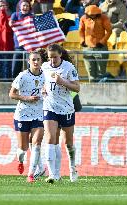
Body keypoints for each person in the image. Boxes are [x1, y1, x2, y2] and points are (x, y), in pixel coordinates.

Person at [41, 44, 80, 183]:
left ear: (60, 55)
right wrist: (43, 88)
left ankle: (72, 167)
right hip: (50, 106)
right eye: (50, 57)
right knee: (51, 139)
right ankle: (53, 174)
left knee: (68, 143)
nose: (52, 61)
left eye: (55, 57)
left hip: (66, 108)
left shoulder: (68, 67)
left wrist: (63, 81)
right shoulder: (44, 67)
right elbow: (43, 82)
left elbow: (77, 87)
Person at [9, 51, 45, 183]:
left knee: (36, 144)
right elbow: (12, 94)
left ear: (41, 61)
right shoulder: (23, 76)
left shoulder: (46, 76)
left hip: (39, 114)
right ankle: (20, 161)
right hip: (22, 114)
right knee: (23, 149)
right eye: (33, 60)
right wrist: (27, 98)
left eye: (38, 59)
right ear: (28, 61)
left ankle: (31, 174)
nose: (36, 62)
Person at [79, 5, 112, 82]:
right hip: (87, 48)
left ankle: (102, 88)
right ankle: (92, 89)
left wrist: (102, 42)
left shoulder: (104, 18)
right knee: (90, 71)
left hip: (100, 47)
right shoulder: (83, 18)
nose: (92, 15)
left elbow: (109, 31)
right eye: (90, 14)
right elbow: (81, 30)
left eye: (94, 14)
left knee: (101, 72)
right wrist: (82, 40)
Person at [10, 0, 33, 78]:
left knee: (30, 67)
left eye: (27, 6)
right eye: (24, 5)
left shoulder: (32, 16)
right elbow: (11, 23)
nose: (25, 7)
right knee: (15, 68)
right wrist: (11, 23)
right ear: (20, 6)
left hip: (29, 46)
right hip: (18, 46)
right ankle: (15, 84)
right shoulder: (15, 15)